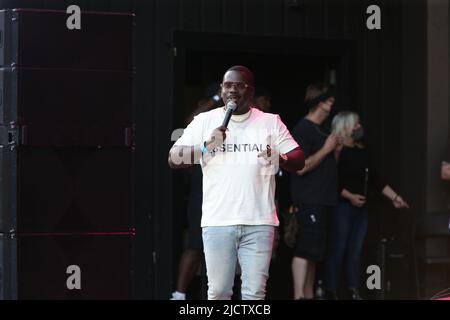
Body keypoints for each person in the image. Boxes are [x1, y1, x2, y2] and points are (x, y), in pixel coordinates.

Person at [168, 65, 304, 300]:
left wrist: (280, 158)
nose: (231, 90)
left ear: (250, 91)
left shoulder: (270, 122)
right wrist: (206, 146)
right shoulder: (205, 121)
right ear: (221, 90)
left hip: (259, 222)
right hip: (218, 220)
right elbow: (174, 158)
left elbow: (298, 159)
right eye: (227, 85)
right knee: (219, 291)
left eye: (238, 85)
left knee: (254, 293)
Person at [325, 111, 409, 300]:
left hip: (361, 208)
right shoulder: (337, 152)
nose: (358, 128)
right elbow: (332, 180)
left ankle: (353, 290)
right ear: (345, 127)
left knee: (355, 250)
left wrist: (395, 197)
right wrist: (350, 196)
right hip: (343, 206)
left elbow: (376, 180)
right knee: (339, 248)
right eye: (355, 125)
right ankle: (331, 290)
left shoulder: (363, 151)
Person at [170, 83, 221, 300]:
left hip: (225, 191)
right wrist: (216, 100)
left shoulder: (226, 121)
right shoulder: (200, 122)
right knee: (195, 245)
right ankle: (179, 295)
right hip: (202, 191)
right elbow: (187, 122)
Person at [290, 83, 338, 300]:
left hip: (323, 198)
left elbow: (328, 165)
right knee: (304, 249)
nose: (332, 104)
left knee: (314, 252)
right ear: (320, 103)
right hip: (308, 198)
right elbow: (300, 167)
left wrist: (334, 151)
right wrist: (326, 149)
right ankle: (299, 295)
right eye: (329, 101)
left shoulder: (323, 130)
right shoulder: (303, 129)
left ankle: (308, 295)